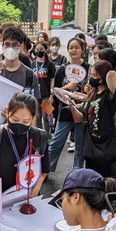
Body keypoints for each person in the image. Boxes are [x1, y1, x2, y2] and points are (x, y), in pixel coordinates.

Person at [0, 92, 49, 195]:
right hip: (0, 197)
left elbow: (43, 171)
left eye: (26, 121)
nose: (20, 125)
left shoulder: (40, 137)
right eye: (15, 119)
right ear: (7, 113)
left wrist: (34, 193)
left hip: (28, 197)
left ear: (33, 117)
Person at [66, 60, 116, 178]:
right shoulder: (92, 94)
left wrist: (102, 65)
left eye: (95, 75)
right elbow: (81, 118)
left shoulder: (109, 95)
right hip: (91, 142)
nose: (91, 78)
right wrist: (72, 108)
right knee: (91, 177)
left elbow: (112, 74)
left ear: (103, 77)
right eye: (91, 75)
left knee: (106, 179)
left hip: (105, 142)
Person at [48, 37, 89, 171]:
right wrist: (68, 87)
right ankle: (47, 169)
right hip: (65, 110)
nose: (73, 50)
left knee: (80, 144)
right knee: (56, 142)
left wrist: (87, 90)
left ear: (82, 50)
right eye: (71, 48)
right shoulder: (62, 69)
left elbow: (94, 91)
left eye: (77, 47)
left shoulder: (89, 68)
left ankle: (77, 170)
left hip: (82, 111)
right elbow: (55, 90)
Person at [1, 27, 39, 99]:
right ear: (2, 46)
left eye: (15, 45)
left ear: (21, 46)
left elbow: (36, 103)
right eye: (7, 44)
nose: (11, 48)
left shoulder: (30, 75)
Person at [32, 41, 56, 130]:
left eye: (41, 49)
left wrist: (51, 94)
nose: (39, 51)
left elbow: (52, 79)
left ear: (45, 50)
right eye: (37, 49)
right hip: (35, 94)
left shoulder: (50, 64)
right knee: (37, 117)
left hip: (46, 95)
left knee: (46, 117)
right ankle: (39, 135)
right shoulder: (32, 63)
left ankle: (47, 136)